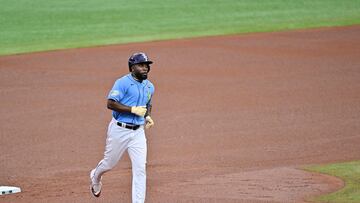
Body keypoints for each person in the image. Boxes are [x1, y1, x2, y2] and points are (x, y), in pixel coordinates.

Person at [90, 52, 155, 203]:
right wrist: (132, 110)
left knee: (140, 170)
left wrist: (147, 117)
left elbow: (147, 104)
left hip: (138, 132)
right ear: (132, 67)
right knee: (109, 163)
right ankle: (95, 176)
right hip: (119, 130)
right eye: (141, 65)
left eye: (146, 65)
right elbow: (110, 103)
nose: (145, 68)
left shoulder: (150, 86)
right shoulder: (122, 83)